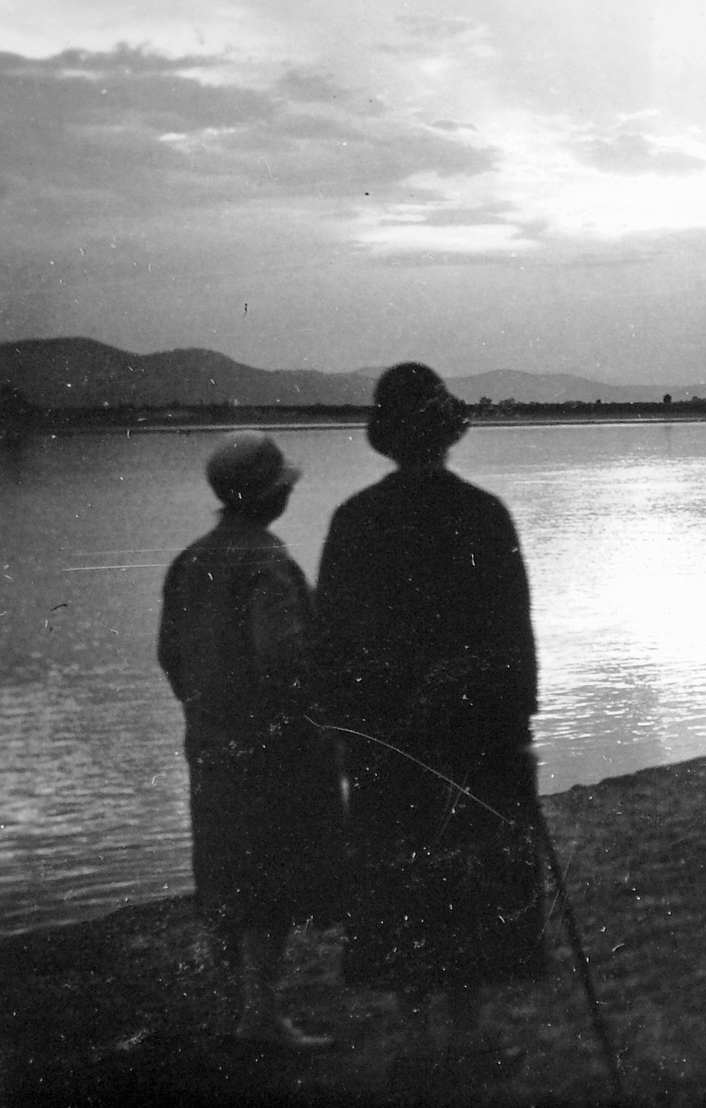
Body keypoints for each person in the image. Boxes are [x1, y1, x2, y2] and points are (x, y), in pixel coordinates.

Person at [314, 363, 543, 1064]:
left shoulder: (354, 520)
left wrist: (352, 728)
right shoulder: (481, 513)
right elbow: (514, 637)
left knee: (404, 882)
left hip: (390, 739)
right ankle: (465, 1030)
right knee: (466, 878)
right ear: (447, 433)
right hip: (472, 733)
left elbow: (331, 646)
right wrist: (518, 722)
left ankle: (418, 1037)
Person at [158, 431, 342, 1049]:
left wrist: (207, 711)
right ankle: (260, 1015)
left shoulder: (190, 561)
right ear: (270, 497)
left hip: (211, 748)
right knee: (267, 886)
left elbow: (172, 656)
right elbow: (285, 661)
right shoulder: (266, 562)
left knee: (223, 880)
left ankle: (231, 1010)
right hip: (272, 753)